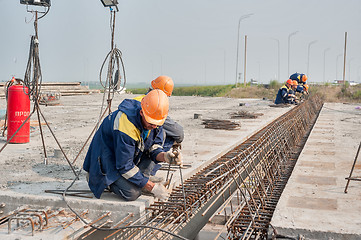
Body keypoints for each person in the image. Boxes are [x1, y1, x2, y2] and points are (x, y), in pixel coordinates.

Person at [83, 89, 181, 201]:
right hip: (108, 161)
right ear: (141, 113)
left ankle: (140, 180)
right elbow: (125, 166)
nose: (154, 126)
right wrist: (152, 188)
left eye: (157, 124)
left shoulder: (155, 116)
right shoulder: (126, 126)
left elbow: (153, 148)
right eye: (151, 123)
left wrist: (165, 156)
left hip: (124, 157)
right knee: (132, 193)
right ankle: (100, 179)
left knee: (139, 179)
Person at [133, 76, 184, 177]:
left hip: (134, 147)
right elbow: (178, 133)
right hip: (135, 147)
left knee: (158, 134)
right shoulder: (154, 106)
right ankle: (147, 173)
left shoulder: (139, 100)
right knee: (166, 135)